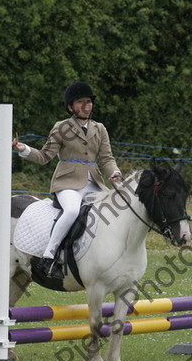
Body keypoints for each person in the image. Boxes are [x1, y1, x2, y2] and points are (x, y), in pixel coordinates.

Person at [12, 81, 122, 279]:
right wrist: (25, 150)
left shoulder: (100, 128)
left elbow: (106, 158)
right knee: (71, 211)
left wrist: (114, 172)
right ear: (71, 107)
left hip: (94, 183)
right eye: (81, 102)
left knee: (114, 211)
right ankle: (49, 256)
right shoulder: (61, 127)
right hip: (67, 182)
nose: (87, 106)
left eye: (89, 102)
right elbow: (45, 156)